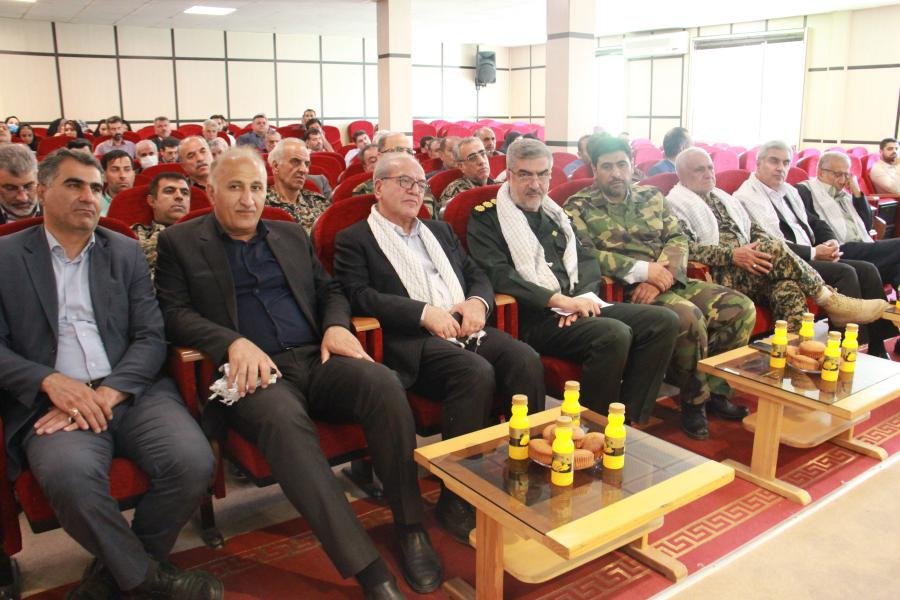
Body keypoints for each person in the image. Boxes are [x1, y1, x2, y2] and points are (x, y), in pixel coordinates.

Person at [156, 146, 441, 598]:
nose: (248, 199)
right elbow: (173, 314)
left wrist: (335, 325)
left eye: (256, 188)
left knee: (383, 384)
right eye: (235, 187)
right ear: (209, 191)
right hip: (254, 375)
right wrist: (230, 342)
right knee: (284, 423)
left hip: (315, 357)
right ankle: (367, 568)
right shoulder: (181, 242)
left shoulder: (289, 233)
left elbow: (331, 291)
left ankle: (410, 527)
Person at [0, 149, 219, 599]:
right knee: (71, 479)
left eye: (96, 188)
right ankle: (149, 581)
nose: (89, 196)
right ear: (42, 191)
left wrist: (111, 392)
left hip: (132, 391)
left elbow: (150, 335)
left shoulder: (124, 251)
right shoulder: (6, 257)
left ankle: (116, 574)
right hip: (51, 403)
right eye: (74, 185)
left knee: (193, 462)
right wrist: (49, 381)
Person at [333, 152, 546, 540]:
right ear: (378, 188)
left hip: (465, 326)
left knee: (525, 359)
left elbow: (476, 274)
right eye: (404, 182)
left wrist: (477, 302)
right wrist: (422, 313)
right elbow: (359, 295)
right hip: (411, 341)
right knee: (474, 372)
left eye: (420, 184)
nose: (415, 190)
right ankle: (457, 496)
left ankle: (524, 471)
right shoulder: (355, 239)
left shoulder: (440, 230)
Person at [467, 139, 679, 423]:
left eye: (542, 174)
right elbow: (499, 274)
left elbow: (586, 260)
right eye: (525, 174)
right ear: (509, 174)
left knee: (664, 321)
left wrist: (581, 300)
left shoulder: (556, 214)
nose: (535, 184)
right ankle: (589, 427)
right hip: (534, 316)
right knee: (613, 334)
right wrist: (559, 301)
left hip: (576, 305)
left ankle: (626, 419)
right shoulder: (487, 218)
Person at [565, 134, 756, 440]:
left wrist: (663, 274)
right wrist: (643, 272)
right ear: (595, 169)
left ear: (632, 165)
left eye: (622, 165)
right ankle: (693, 401)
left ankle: (716, 392)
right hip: (624, 290)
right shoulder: (578, 206)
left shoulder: (651, 196)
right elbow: (585, 254)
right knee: (690, 317)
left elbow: (677, 238)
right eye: (607, 166)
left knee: (741, 308)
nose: (616, 173)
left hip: (666, 280)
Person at [667, 148, 888, 332]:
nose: (708, 174)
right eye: (700, 170)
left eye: (710, 168)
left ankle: (791, 355)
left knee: (788, 288)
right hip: (721, 271)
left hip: (754, 265)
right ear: (682, 175)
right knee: (774, 246)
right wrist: (732, 255)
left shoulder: (723, 198)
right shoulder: (676, 205)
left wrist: (757, 248)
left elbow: (752, 229)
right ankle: (827, 298)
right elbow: (686, 248)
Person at [734, 140, 893, 355]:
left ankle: (878, 347)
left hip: (810, 255)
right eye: (774, 161)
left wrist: (830, 241)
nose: (781, 168)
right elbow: (771, 244)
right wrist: (815, 252)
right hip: (785, 263)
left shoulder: (788, 191)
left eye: (786, 162)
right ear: (758, 163)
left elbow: (814, 222)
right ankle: (845, 353)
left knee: (867, 269)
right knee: (845, 272)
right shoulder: (746, 197)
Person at [797, 151, 900, 291]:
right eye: (837, 174)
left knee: (897, 267)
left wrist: (856, 191)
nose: (842, 181)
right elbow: (811, 225)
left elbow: (867, 225)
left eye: (846, 175)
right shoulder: (805, 190)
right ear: (821, 173)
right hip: (840, 248)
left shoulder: (845, 195)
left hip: (861, 246)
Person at [266, 138, 330, 234]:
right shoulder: (260, 205)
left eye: (307, 164)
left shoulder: (319, 202)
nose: (304, 170)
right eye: (295, 162)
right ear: (276, 166)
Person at [132, 172, 192, 273]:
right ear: (152, 201)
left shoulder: (205, 233)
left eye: (185, 193)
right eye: (169, 191)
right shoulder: (134, 235)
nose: (179, 196)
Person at [438, 137, 495, 211]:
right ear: (461, 166)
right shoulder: (456, 194)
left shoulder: (499, 185)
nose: (481, 161)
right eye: (472, 158)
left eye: (483, 154)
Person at [352, 132, 415, 196]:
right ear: (381, 156)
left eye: (409, 152)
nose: (404, 157)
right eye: (397, 151)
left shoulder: (419, 182)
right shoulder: (363, 190)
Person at [0, 143, 40, 224]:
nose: (23, 198)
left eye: (28, 186)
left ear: (39, 180)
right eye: (10, 188)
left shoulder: (59, 210)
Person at [99, 149, 135, 216]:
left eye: (127, 169)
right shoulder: (95, 207)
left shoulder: (146, 203)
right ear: (104, 176)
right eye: (115, 170)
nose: (123, 175)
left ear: (134, 175)